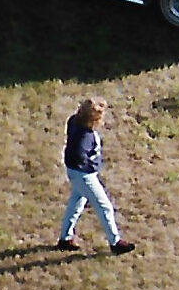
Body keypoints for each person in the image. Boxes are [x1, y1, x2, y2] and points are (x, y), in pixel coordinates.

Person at [57, 97, 135, 254]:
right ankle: (115, 243)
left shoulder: (73, 121)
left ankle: (65, 239)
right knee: (104, 206)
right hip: (84, 175)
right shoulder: (86, 135)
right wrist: (87, 164)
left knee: (76, 204)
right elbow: (79, 155)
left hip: (74, 172)